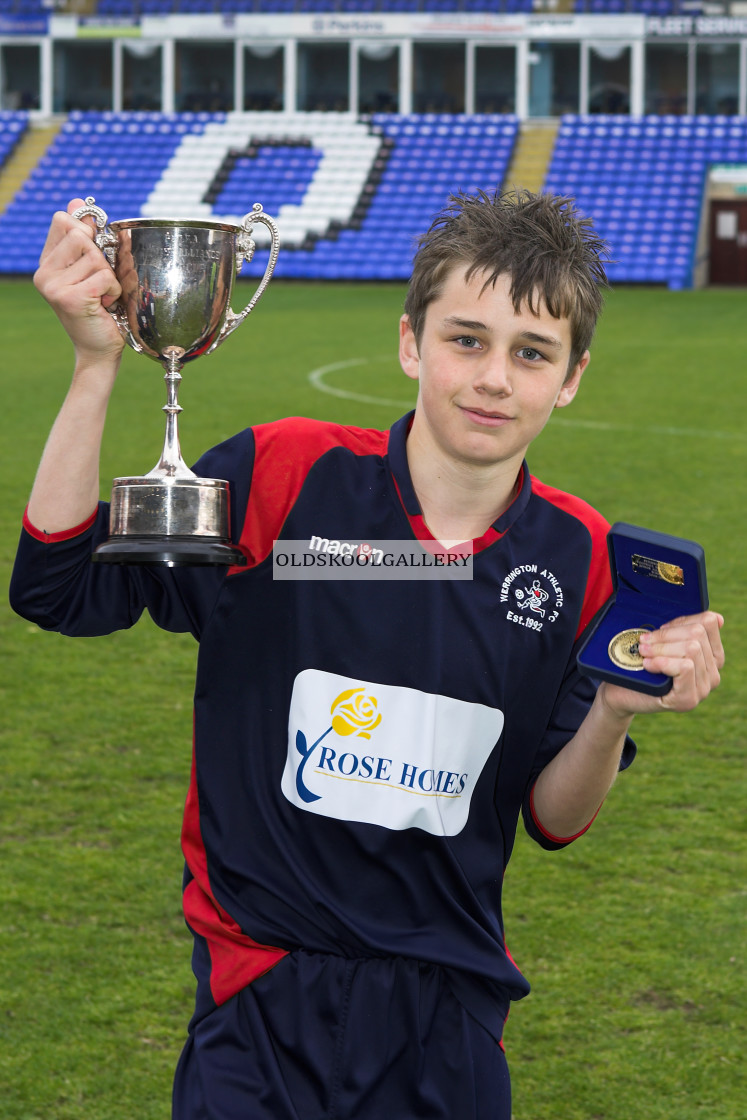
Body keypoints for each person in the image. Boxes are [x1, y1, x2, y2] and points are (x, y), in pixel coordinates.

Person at [10, 189, 724, 1120]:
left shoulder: (580, 558)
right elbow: (59, 587)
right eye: (465, 339)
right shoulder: (281, 473)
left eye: (530, 353)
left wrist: (613, 710)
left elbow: (554, 817)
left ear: (571, 377)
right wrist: (94, 366)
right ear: (408, 343)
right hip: (259, 994)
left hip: (448, 1015)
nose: (494, 378)